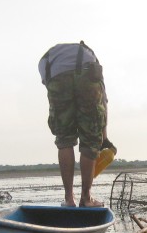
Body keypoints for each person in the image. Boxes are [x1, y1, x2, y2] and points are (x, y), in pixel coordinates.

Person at [38, 40, 109, 207]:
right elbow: (103, 101)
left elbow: (50, 88)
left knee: (64, 140)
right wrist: (103, 135)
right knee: (90, 140)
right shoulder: (91, 58)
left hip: (58, 77)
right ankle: (86, 198)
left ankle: (69, 199)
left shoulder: (46, 62)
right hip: (87, 74)